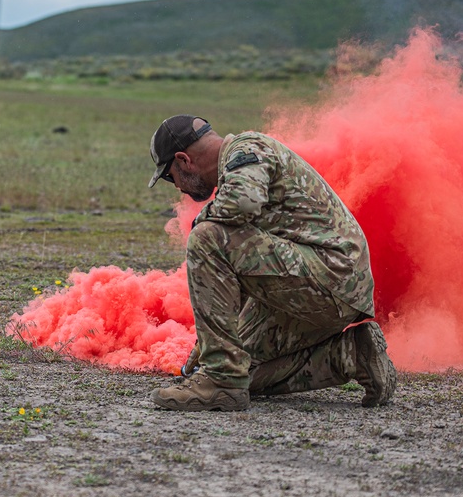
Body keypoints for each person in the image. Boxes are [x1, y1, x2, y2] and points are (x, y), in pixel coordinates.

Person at [147, 115, 396, 412]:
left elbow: (242, 203)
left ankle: (221, 381)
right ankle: (352, 354)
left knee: (206, 237)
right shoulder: (237, 163)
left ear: (183, 160)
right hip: (318, 284)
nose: (176, 187)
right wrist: (213, 340)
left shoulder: (246, 150)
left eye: (169, 176)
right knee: (241, 369)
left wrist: (201, 222)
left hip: (330, 276)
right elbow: (253, 262)